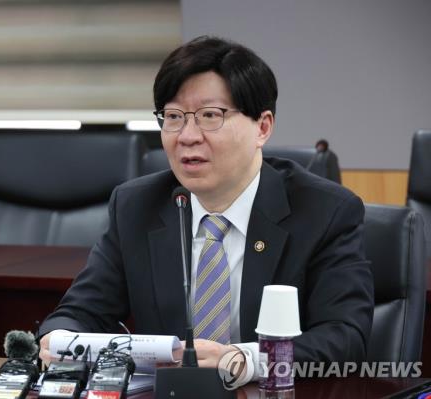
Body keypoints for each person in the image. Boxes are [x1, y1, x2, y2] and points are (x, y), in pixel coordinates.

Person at [38, 36, 374, 384]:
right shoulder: (137, 206)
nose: (187, 136)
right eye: (173, 117)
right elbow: (81, 312)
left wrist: (242, 360)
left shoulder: (325, 211)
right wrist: (58, 338)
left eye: (210, 116)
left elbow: (345, 339)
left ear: (262, 127)